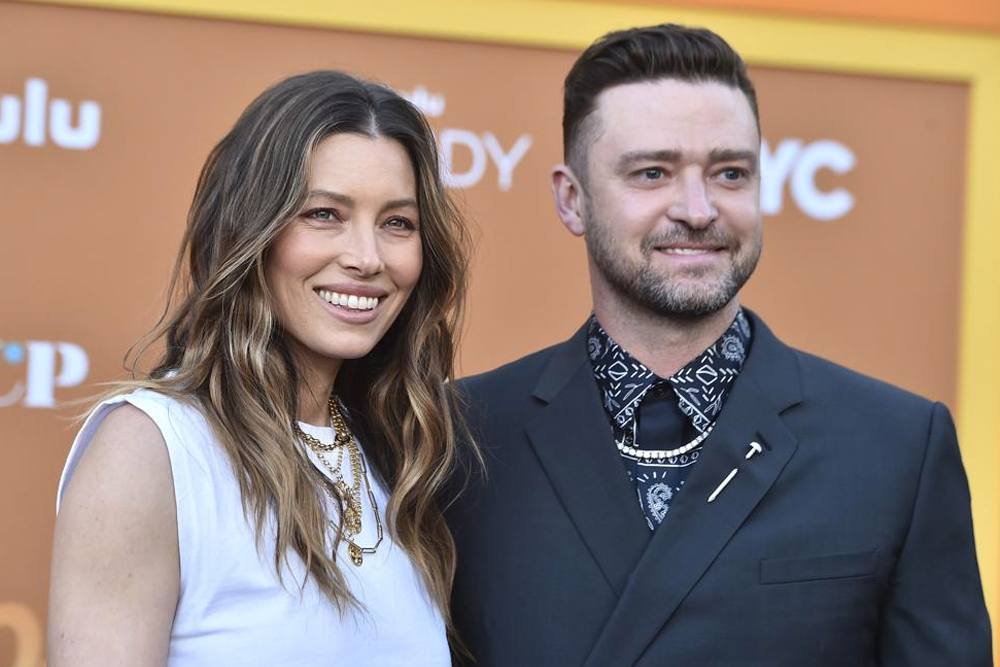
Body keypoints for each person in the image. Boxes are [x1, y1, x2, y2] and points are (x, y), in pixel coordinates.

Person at [447, 24, 992, 666]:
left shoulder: (896, 448)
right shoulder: (461, 438)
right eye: (653, 173)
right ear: (572, 200)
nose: (698, 209)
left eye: (730, 173)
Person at [48, 70, 474, 666]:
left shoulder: (398, 458)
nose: (367, 257)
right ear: (251, 229)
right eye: (324, 214)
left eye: (397, 223)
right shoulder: (153, 448)